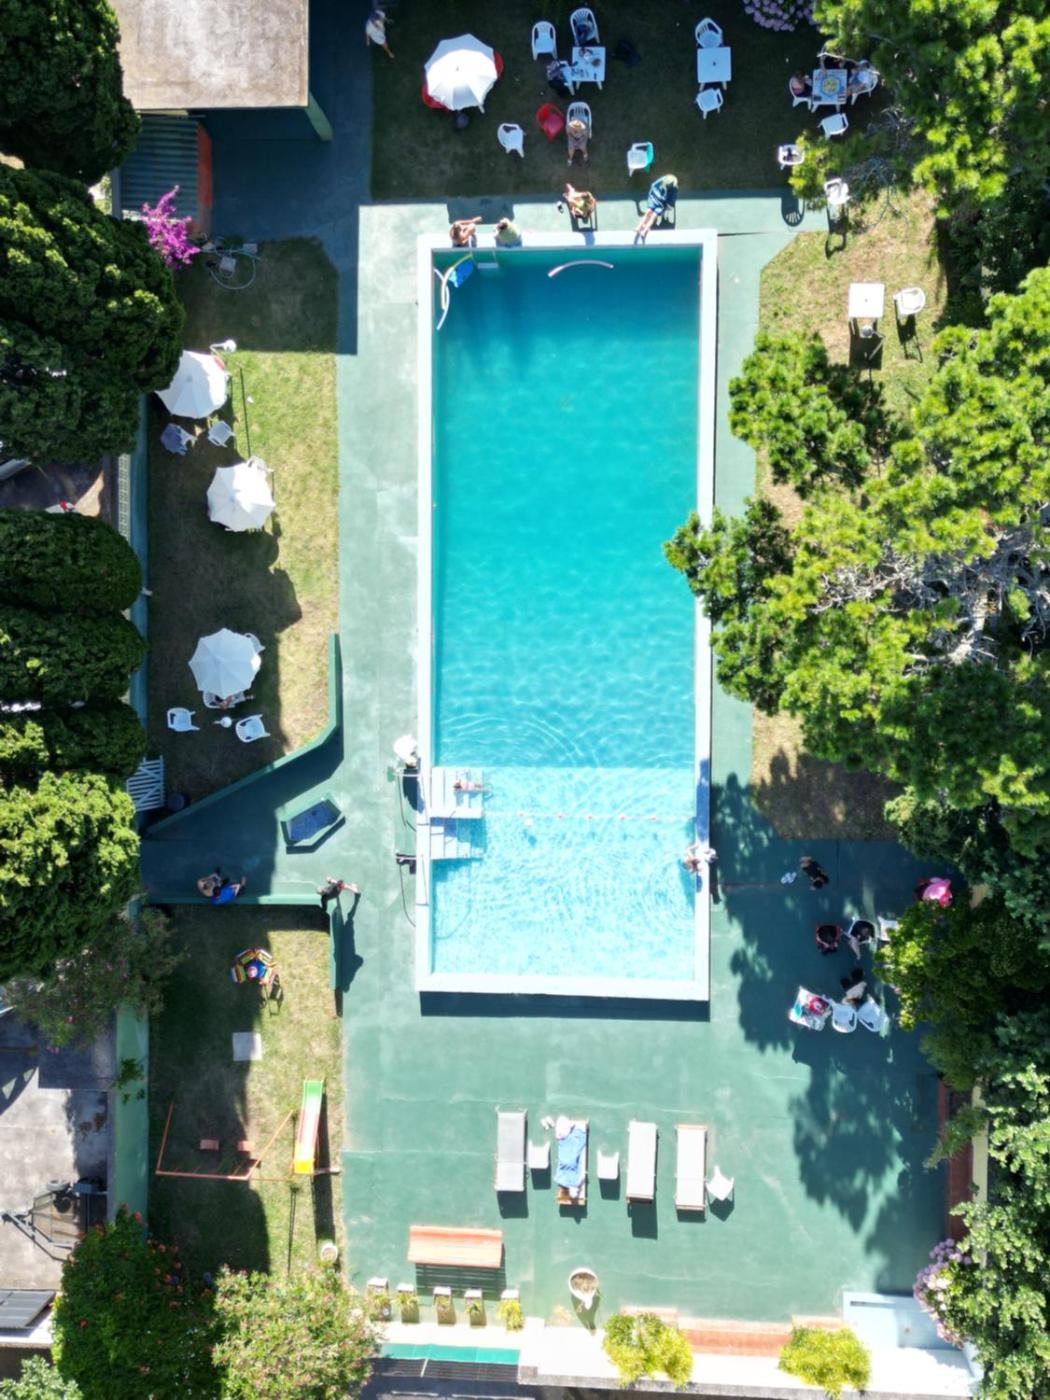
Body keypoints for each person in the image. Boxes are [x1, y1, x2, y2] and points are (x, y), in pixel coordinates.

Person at [635, 174, 678, 240]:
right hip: (654, 200)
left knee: (653, 217)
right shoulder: (662, 180)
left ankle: (644, 231)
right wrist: (657, 196)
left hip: (661, 205)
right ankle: (639, 227)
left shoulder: (674, 188)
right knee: (648, 213)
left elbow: (671, 200)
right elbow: (653, 186)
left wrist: (666, 207)